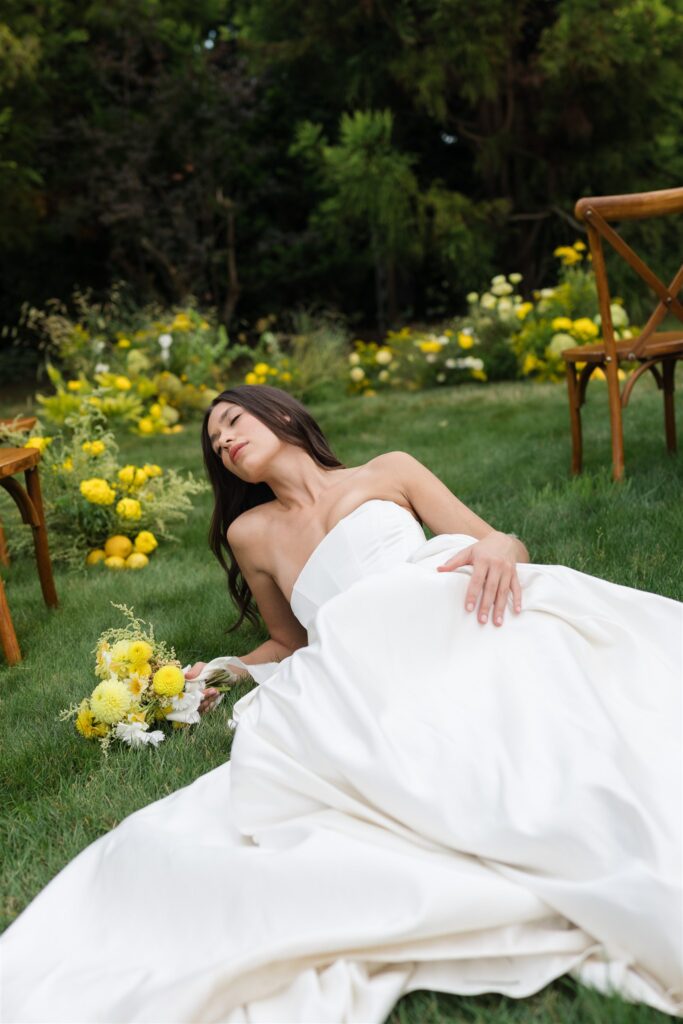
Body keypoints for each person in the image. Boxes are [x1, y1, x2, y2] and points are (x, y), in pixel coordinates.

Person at [2, 383, 681, 1023]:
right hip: (369, 656)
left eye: (232, 422)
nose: (224, 442)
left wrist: (502, 548)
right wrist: (217, 673)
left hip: (453, 609)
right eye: (215, 444)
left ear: (282, 415)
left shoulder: (390, 471)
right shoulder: (252, 533)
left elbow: (497, 541)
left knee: (566, 698)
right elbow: (288, 643)